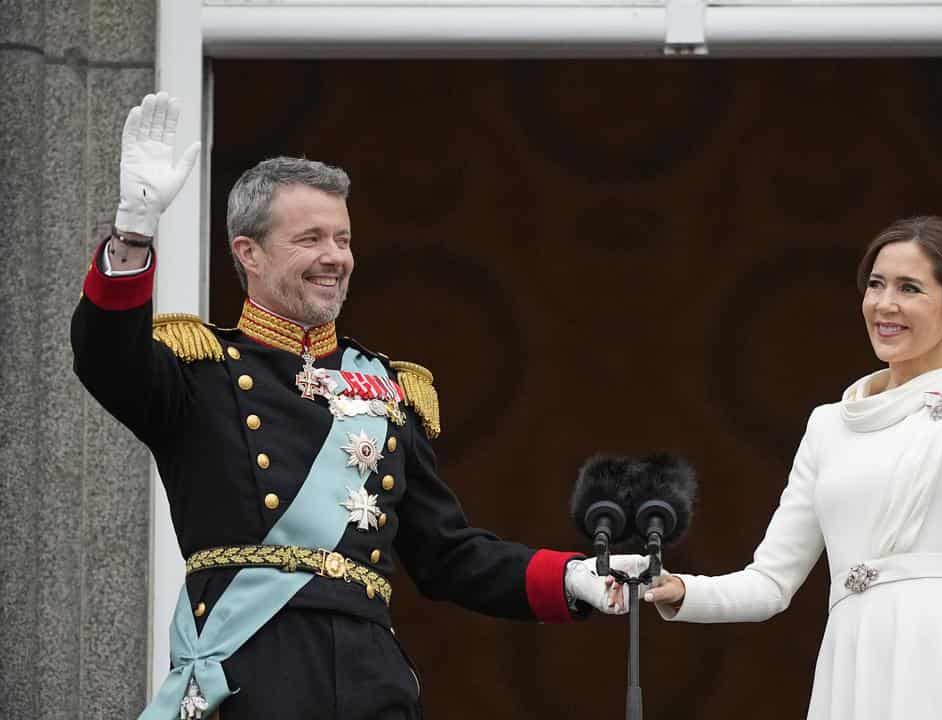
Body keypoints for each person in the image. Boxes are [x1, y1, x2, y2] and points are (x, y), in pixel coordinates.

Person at [72, 92, 627, 720]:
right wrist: (132, 234)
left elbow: (448, 555)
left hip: (370, 681)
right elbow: (106, 362)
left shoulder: (387, 390)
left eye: (343, 238)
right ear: (248, 253)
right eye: (310, 239)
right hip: (252, 674)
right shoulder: (202, 374)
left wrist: (572, 577)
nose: (336, 257)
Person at [637, 128, 942, 719]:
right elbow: (768, 585)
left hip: (934, 653)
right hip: (848, 659)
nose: (884, 305)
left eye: (910, 289)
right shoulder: (829, 425)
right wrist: (679, 589)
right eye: (876, 285)